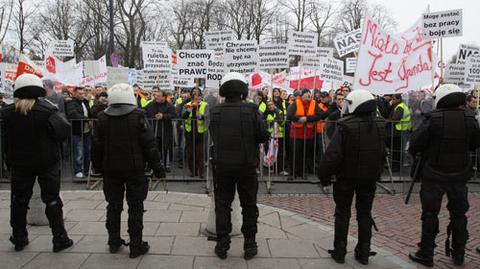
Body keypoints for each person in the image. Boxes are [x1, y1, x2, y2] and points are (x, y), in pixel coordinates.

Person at [408, 84, 480, 267]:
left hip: (434, 175)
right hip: (459, 174)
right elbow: (474, 144)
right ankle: (459, 254)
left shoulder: (433, 118)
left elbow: (416, 143)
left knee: (430, 214)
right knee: (459, 215)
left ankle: (426, 253)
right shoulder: (470, 118)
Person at [92, 83, 165, 258]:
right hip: (135, 169)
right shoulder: (138, 116)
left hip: (111, 170)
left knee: (113, 206)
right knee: (136, 207)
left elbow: (96, 146)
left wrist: (98, 167)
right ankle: (135, 244)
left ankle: (114, 241)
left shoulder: (102, 118)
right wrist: (158, 167)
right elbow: (149, 144)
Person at [2, 74, 73, 252]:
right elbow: (63, 132)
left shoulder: (7, 112)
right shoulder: (48, 110)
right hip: (46, 162)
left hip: (19, 163)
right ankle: (59, 238)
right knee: (52, 200)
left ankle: (19, 237)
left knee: (19, 200)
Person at [318, 89, 386, 265]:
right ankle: (364, 251)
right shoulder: (379, 125)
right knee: (364, 214)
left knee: (342, 214)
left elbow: (332, 155)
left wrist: (324, 176)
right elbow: (382, 152)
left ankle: (340, 251)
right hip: (368, 179)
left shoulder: (345, 125)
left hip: (346, 178)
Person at [209, 72, 269, 260]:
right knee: (249, 205)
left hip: (223, 166)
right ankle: (249, 244)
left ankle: (222, 244)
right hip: (246, 166)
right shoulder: (251, 110)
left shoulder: (216, 110)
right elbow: (262, 135)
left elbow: (214, 134)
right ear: (243, 90)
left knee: (223, 205)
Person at [286, 89, 324, 179]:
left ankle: (303, 173)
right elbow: (289, 115)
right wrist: (299, 119)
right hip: (295, 133)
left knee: (305, 155)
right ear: (301, 96)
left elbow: (320, 115)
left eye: (309, 95)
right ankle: (293, 173)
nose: (308, 96)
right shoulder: (295, 103)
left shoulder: (314, 103)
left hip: (308, 134)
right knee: (295, 154)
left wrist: (307, 119)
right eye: (306, 95)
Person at [145, 89, 175, 172]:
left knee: (165, 149)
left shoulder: (169, 106)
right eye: (155, 96)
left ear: (164, 97)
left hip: (165, 131)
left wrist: (163, 116)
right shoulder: (151, 104)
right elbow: (144, 111)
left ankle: (165, 165)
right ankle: (151, 165)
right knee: (152, 150)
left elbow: (173, 115)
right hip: (153, 130)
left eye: (158, 96)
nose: (156, 97)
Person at [66, 87, 92, 179]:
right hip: (77, 131)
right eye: (80, 94)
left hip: (87, 131)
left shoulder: (85, 102)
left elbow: (90, 113)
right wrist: (86, 120)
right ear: (75, 94)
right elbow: (73, 114)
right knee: (78, 152)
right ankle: (78, 170)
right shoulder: (71, 103)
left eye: (83, 93)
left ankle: (86, 170)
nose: (82, 95)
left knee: (87, 151)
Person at [182, 88, 208, 178]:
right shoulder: (187, 105)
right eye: (194, 95)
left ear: (200, 96)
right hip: (189, 132)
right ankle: (193, 171)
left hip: (200, 132)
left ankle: (201, 172)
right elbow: (183, 116)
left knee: (200, 154)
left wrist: (201, 116)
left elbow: (208, 117)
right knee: (190, 154)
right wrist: (189, 110)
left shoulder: (205, 105)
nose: (196, 97)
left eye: (198, 95)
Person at [388, 94, 412, 172]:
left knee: (396, 150)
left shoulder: (400, 107)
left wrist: (386, 121)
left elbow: (395, 119)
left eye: (394, 99)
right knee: (396, 150)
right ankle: (394, 166)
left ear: (398, 99)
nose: (393, 100)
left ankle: (395, 167)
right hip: (401, 130)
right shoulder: (401, 105)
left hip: (399, 131)